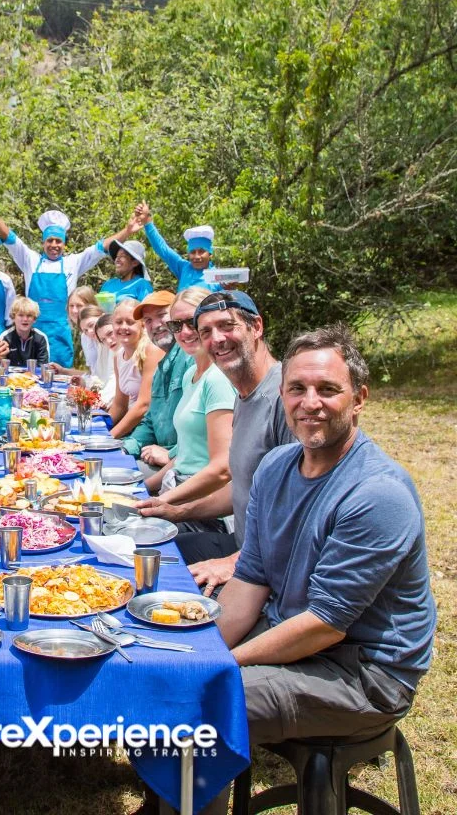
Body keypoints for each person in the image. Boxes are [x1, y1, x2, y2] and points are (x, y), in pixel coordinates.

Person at [208, 325, 436, 813]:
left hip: (365, 673)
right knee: (173, 673)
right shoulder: (275, 467)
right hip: (298, 640)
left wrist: (220, 665)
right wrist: (201, 650)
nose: (310, 402)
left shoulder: (377, 493)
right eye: (297, 388)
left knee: (202, 704)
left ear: (359, 399)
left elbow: (325, 626)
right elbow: (249, 580)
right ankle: (173, 800)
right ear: (283, 395)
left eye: (328, 389)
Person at [139, 290, 294, 596]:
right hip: (244, 547)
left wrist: (234, 562)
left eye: (227, 326)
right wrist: (179, 511)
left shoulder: (287, 398)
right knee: (143, 557)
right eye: (206, 331)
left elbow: (299, 514)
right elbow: (241, 487)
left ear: (257, 327)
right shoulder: (242, 393)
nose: (217, 339)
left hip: (270, 568)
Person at [0, 190, 137, 367]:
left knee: (60, 379)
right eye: (50, 241)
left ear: (64, 244)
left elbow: (101, 248)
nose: (54, 245)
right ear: (43, 243)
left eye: (58, 241)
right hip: (31, 333)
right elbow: (8, 237)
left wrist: (128, 230)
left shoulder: (73, 262)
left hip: (60, 336)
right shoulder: (29, 259)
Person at [136, 290, 236, 540]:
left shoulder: (218, 379)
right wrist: (142, 490)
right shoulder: (192, 374)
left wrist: (163, 502)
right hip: (178, 490)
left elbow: (222, 469)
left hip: (208, 512)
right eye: (176, 325)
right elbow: (185, 454)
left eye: (192, 323)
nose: (185, 332)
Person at [121, 289, 191, 475]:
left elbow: (201, 432)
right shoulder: (161, 366)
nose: (156, 325)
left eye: (161, 316)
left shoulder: (191, 358)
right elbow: (151, 421)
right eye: (148, 321)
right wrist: (127, 447)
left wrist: (171, 454)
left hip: (181, 464)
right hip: (155, 456)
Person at [132, 201, 221, 291]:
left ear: (210, 253)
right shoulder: (184, 268)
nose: (197, 256)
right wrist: (147, 220)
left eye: (201, 251)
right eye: (192, 252)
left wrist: (229, 288)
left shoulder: (218, 277)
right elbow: (163, 249)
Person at [108, 298, 164, 439]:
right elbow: (120, 405)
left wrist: (110, 436)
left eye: (130, 322)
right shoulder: (118, 356)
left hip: (149, 430)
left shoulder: (150, 351)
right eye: (119, 322)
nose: (124, 327)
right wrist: (100, 427)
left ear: (142, 326)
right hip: (131, 427)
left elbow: (144, 404)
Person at [50, 286, 99, 375]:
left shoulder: (100, 333)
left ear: (91, 306)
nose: (74, 310)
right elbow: (93, 373)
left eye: (79, 306)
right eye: (71, 306)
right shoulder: (84, 335)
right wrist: (63, 371)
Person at [0, 297, 50, 366]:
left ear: (34, 319)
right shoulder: (5, 337)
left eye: (29, 316)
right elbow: (1, 367)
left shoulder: (41, 338)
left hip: (35, 376)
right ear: (13, 317)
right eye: (21, 315)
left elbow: (43, 367)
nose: (25, 319)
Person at [93, 313, 119, 407]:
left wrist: (103, 398)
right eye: (103, 339)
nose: (108, 341)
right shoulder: (117, 354)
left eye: (110, 333)